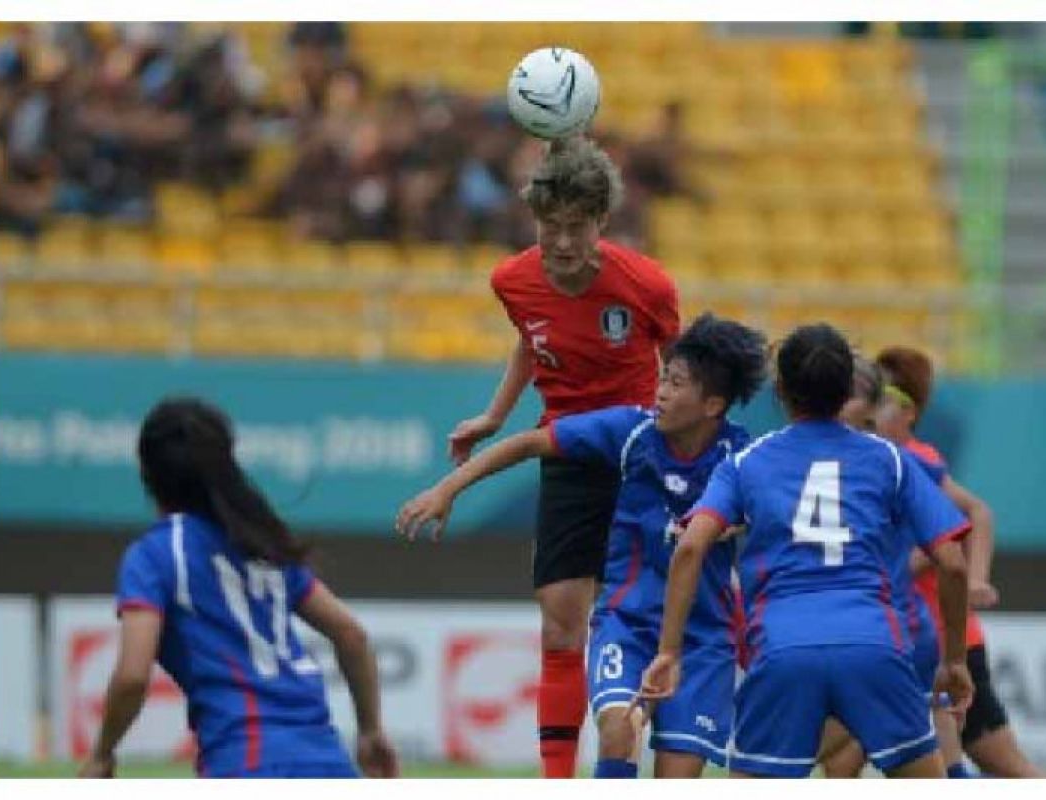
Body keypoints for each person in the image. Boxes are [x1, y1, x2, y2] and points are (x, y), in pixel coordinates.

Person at [399, 313, 764, 778]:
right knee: (618, 729)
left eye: (676, 383)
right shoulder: (632, 432)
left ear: (713, 404)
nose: (661, 391)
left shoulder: (743, 458)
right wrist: (448, 488)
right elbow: (530, 444)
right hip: (627, 623)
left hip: (703, 640)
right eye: (663, 378)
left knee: (677, 776)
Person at [639, 323, 975, 779]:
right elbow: (953, 563)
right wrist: (954, 660)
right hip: (875, 646)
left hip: (782, 650)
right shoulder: (889, 459)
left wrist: (669, 652)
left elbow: (690, 548)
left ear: (781, 389)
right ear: (847, 392)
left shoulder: (746, 462)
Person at [443, 135, 680, 777]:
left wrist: (682, 454)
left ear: (602, 221)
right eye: (551, 227)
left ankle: (642, 759)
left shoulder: (648, 285)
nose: (564, 242)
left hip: (636, 456)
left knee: (640, 625)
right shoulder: (511, 281)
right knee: (559, 626)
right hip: (566, 452)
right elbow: (533, 340)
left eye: (578, 227)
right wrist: (495, 416)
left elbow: (680, 368)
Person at [79, 397, 398, 779]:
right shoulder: (261, 545)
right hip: (329, 763)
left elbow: (132, 675)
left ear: (148, 473)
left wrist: (102, 752)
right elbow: (351, 634)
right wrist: (370, 730)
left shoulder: (155, 555)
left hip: (245, 762)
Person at [874, 346, 1046, 778]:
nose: (868, 406)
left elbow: (975, 514)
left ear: (908, 411)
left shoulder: (918, 460)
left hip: (949, 640)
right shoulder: (878, 460)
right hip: (909, 638)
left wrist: (974, 578)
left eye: (881, 396)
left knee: (1006, 766)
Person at [816, 356, 965, 778]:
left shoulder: (901, 463)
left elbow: (958, 539)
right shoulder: (827, 460)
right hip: (873, 630)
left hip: (888, 632)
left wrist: (908, 565)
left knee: (796, 747)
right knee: (848, 762)